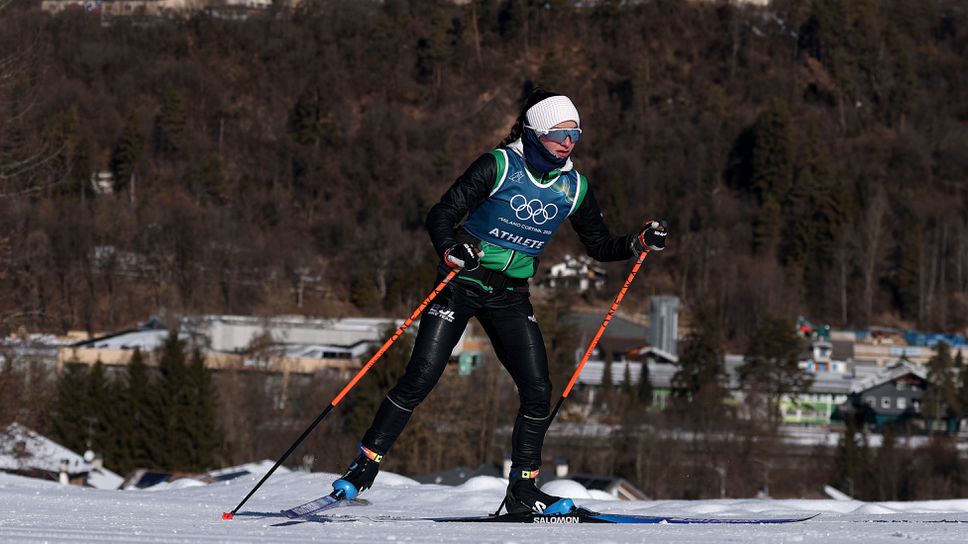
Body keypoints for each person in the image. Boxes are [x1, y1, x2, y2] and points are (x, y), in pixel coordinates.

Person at [331, 90, 668, 515]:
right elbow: (441, 213)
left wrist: (637, 242)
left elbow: (599, 246)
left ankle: (523, 491)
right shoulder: (499, 165)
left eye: (574, 135)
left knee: (537, 390)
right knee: (421, 377)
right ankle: (363, 468)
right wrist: (451, 249)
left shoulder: (574, 187)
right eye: (557, 135)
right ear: (532, 133)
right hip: (462, 282)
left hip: (510, 293)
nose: (568, 143)